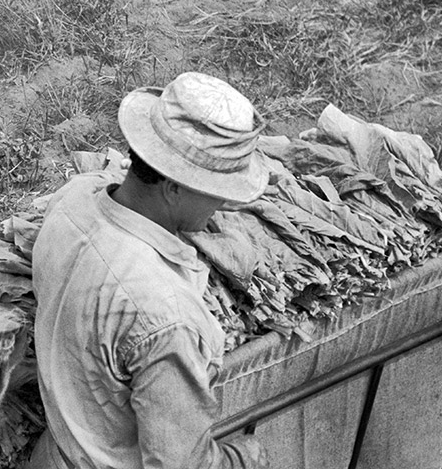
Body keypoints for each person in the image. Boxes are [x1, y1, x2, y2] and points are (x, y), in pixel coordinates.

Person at [28, 72, 271, 469]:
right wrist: (245, 458)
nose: (223, 206)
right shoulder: (164, 313)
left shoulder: (71, 201)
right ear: (173, 186)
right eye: (216, 190)